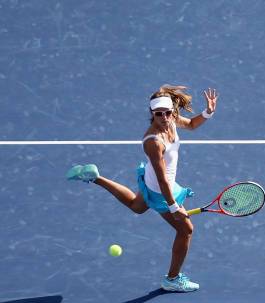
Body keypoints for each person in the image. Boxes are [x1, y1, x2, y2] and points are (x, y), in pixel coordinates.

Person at [66, 85, 218, 292]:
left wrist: (208, 112)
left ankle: (95, 177)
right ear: (152, 114)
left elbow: (191, 124)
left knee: (137, 206)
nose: (164, 117)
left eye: (167, 113)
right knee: (186, 230)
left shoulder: (172, 122)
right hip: (159, 188)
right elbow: (162, 179)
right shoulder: (153, 141)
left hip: (152, 180)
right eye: (159, 114)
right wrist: (173, 207)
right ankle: (172, 279)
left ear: (172, 111)